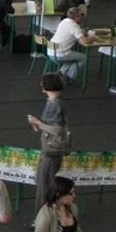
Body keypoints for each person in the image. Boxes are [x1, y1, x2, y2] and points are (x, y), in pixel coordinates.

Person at [27, 72, 69, 213]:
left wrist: (38, 123)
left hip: (51, 151)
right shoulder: (56, 102)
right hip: (52, 149)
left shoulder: (54, 104)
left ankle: (41, 216)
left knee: (44, 185)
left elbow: (57, 130)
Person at [47, 6, 94, 82]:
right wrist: (91, 36)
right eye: (80, 15)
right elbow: (84, 41)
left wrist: (80, 31)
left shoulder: (64, 21)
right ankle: (69, 77)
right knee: (83, 57)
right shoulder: (74, 26)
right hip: (60, 54)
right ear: (76, 16)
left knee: (73, 56)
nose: (81, 17)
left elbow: (70, 32)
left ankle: (62, 72)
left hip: (51, 51)